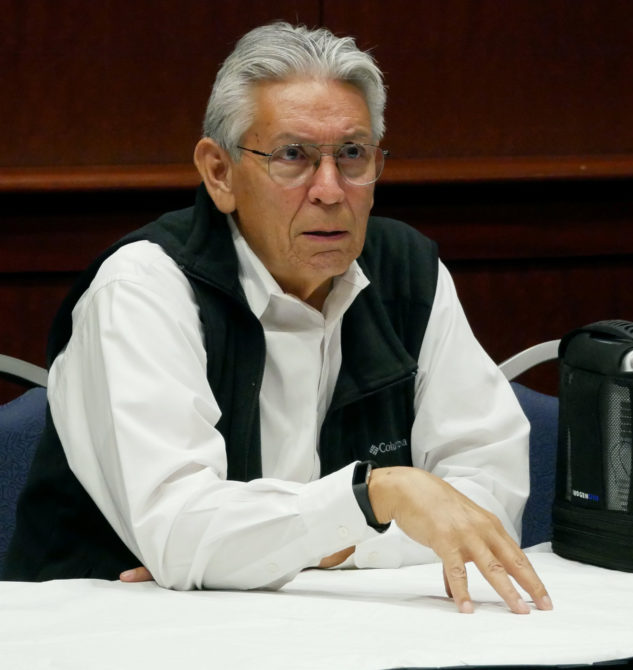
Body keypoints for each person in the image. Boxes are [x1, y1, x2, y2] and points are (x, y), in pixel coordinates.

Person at [3, 22, 551, 615]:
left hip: (354, 631)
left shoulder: (409, 275)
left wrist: (286, 554)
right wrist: (376, 499)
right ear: (219, 172)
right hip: (124, 634)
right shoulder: (141, 289)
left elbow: (486, 509)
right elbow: (183, 532)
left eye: (352, 155)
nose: (330, 189)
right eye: (293, 156)